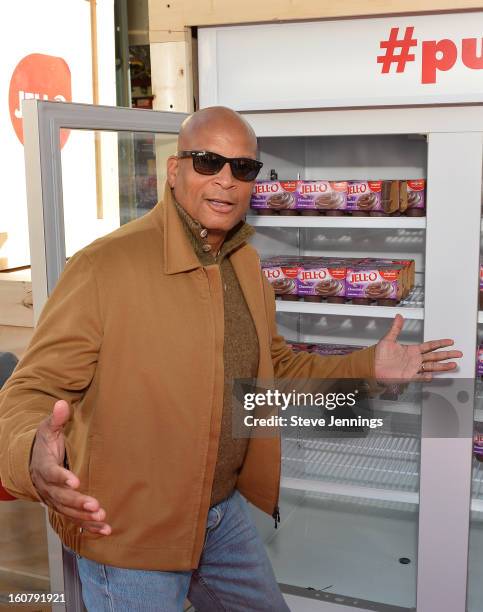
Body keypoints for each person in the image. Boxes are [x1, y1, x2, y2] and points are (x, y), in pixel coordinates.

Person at [0, 107, 461, 612]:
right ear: (174, 171)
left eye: (242, 168)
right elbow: (29, 390)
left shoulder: (243, 263)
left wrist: (368, 367)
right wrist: (30, 456)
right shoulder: (103, 267)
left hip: (220, 517)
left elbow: (277, 373)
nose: (225, 180)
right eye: (206, 162)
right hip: (129, 533)